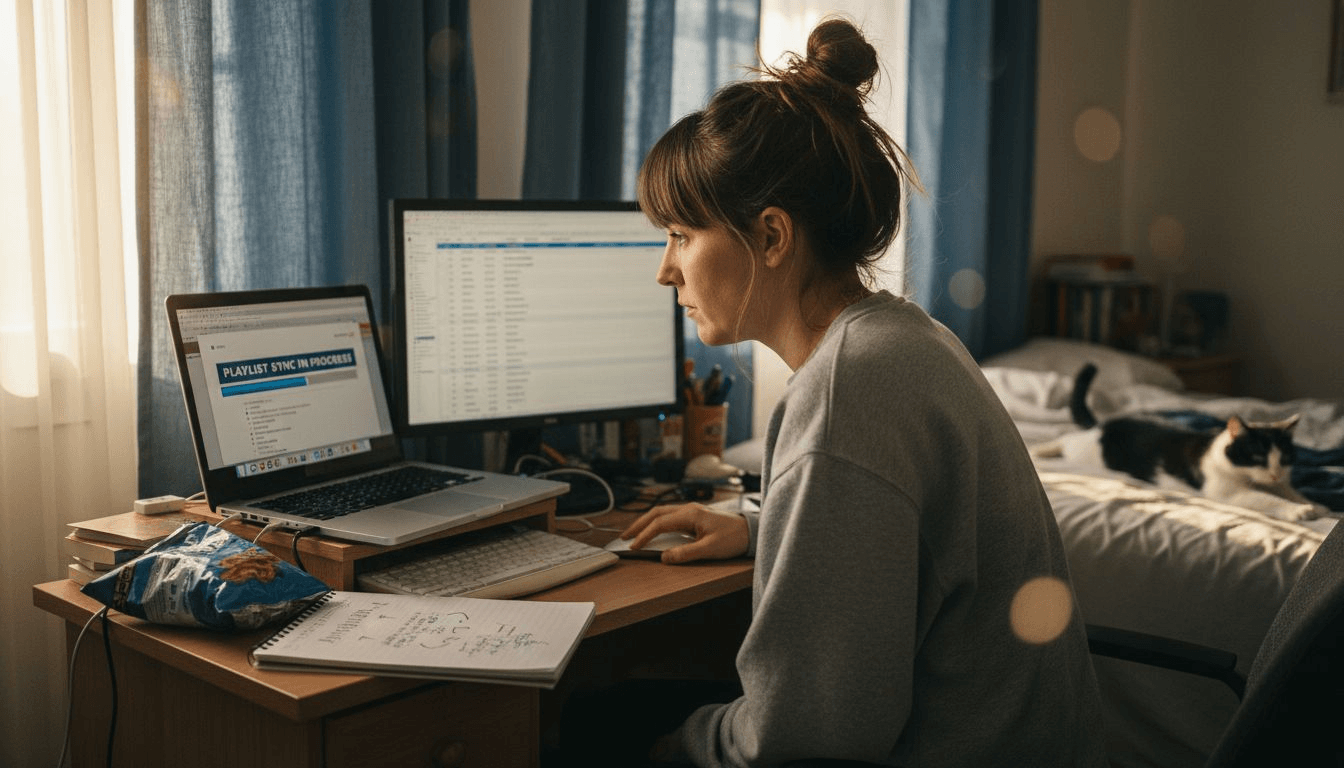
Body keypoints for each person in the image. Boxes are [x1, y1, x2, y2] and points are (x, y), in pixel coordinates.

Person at [563, 17, 1108, 768]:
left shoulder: (846, 390)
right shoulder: (903, 337)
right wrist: (765, 532)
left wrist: (663, 750)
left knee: (582, 727)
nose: (666, 270)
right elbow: (900, 542)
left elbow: (802, 739)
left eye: (682, 235)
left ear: (773, 236)